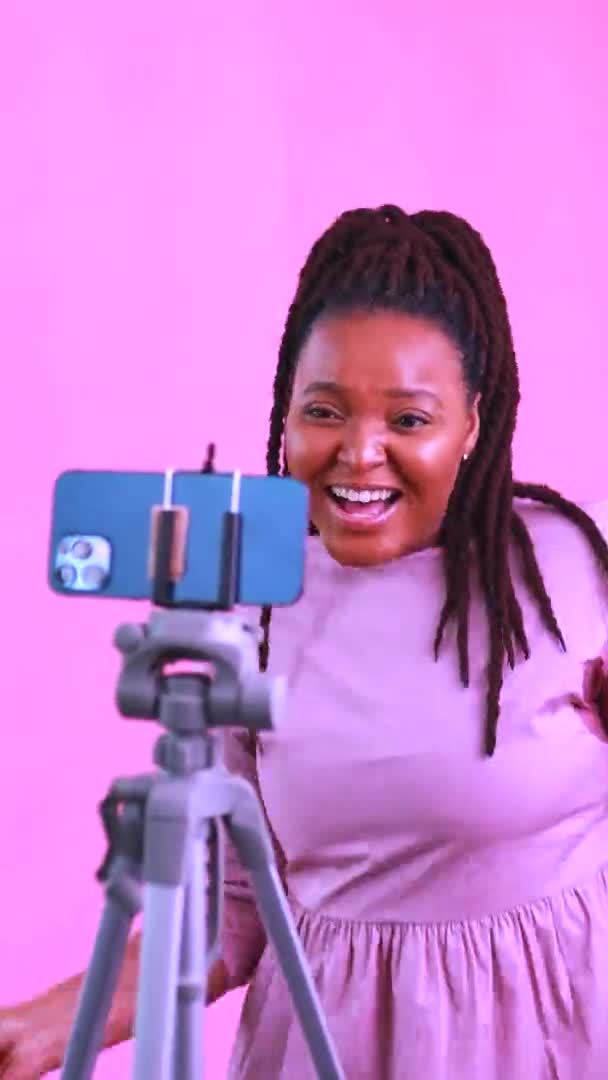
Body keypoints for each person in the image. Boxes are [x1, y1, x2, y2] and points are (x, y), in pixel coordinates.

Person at [3, 204, 608, 1079]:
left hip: (555, 1044)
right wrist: (58, 1019)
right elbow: (232, 910)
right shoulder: (258, 610)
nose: (359, 454)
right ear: (286, 412)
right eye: (324, 410)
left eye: (409, 419)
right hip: (331, 1055)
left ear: (472, 424)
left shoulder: (569, 576)